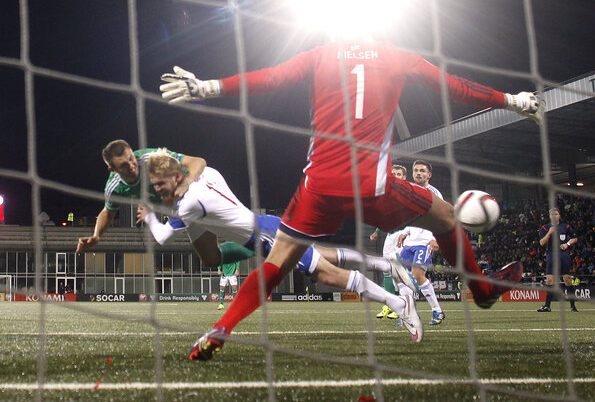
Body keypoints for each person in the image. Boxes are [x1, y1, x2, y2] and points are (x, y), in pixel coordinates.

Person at [160, 38, 539, 360]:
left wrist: (208, 87)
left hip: (317, 188)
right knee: (446, 217)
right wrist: (513, 100)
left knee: (275, 265)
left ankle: (221, 328)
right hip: (372, 187)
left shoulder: (322, 53)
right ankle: (483, 291)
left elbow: (272, 78)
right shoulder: (397, 55)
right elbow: (455, 86)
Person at [135, 150, 422, 352]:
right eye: (155, 186)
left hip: (265, 237)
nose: (158, 190)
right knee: (324, 257)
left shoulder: (187, 205)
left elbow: (161, 237)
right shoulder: (206, 174)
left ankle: (398, 303)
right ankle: (385, 266)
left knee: (328, 274)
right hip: (266, 228)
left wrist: (149, 215)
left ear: (176, 176)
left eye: (161, 184)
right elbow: (200, 166)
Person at [75, 140, 255, 266]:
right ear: (112, 169)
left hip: (201, 183)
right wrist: (97, 236)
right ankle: (259, 246)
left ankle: (267, 239)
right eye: (123, 165)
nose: (131, 165)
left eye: (131, 158)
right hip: (182, 204)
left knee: (246, 227)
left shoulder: (149, 158)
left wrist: (184, 185)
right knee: (211, 259)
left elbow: (198, 162)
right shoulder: (114, 187)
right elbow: (108, 211)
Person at [396, 160, 446, 326]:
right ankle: (407, 315)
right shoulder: (411, 191)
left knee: (417, 274)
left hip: (425, 242)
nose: (418, 173)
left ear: (429, 175)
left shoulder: (434, 193)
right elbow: (412, 216)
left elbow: (442, 217)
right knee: (399, 275)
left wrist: (436, 239)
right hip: (410, 241)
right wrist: (404, 232)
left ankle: (437, 311)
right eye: (416, 170)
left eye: (422, 171)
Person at [369, 164, 409, 321]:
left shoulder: (407, 193)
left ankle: (401, 304)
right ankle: (390, 305)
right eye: (393, 173)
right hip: (390, 235)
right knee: (387, 270)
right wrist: (377, 232)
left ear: (404, 177)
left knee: (398, 270)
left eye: (398, 174)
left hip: (402, 234)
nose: (395, 176)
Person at [537, 208, 579, 312]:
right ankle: (547, 306)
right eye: (552, 214)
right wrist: (549, 233)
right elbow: (542, 243)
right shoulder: (545, 227)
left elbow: (575, 238)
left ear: (559, 215)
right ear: (550, 216)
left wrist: (567, 244)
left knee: (567, 280)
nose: (554, 216)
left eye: (556, 214)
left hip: (563, 255)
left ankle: (573, 306)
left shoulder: (565, 226)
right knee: (550, 280)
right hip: (551, 254)